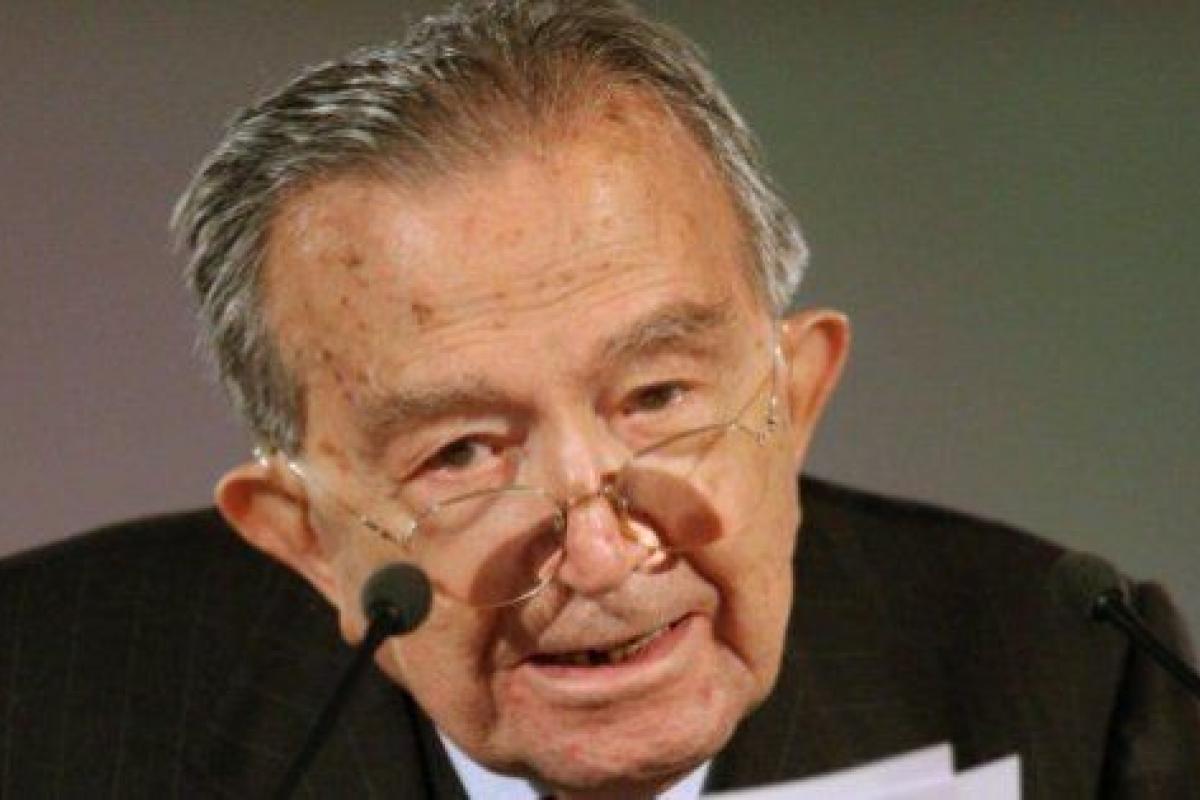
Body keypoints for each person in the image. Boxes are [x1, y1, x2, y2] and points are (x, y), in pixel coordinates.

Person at [2, 1, 1197, 798]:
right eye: (462, 452)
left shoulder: (1069, 683)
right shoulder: (37, 706)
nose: (600, 550)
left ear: (794, 399)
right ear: (307, 535)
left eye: (659, 394)